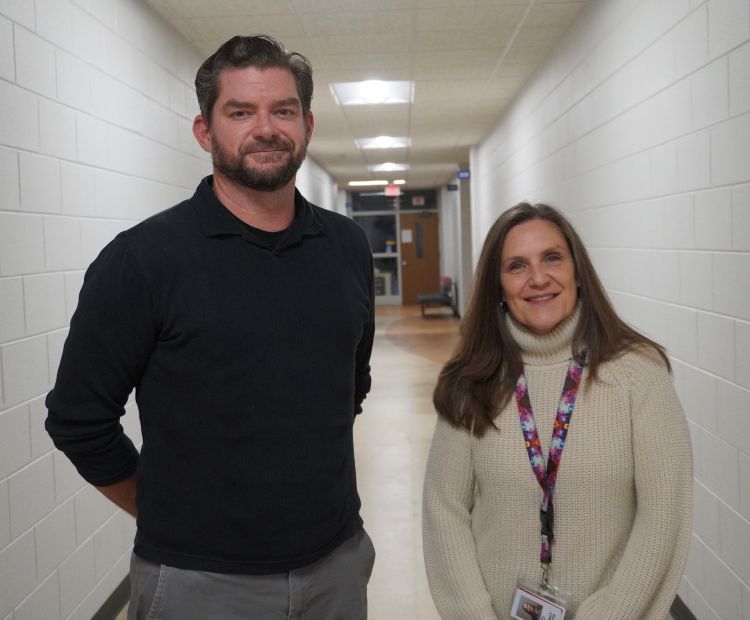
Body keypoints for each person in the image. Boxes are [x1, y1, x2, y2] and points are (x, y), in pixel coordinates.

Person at [46, 35, 375, 620]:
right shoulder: (143, 259)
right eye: (240, 112)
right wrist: (164, 511)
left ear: (307, 125)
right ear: (205, 131)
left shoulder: (347, 246)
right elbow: (78, 419)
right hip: (198, 582)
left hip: (336, 568)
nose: (266, 128)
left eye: (283, 110)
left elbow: (349, 386)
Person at [422, 203, 692, 619]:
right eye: (516, 266)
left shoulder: (638, 374)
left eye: (552, 258)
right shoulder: (471, 380)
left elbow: (664, 513)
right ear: (498, 286)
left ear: (577, 272)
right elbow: (444, 510)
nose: (537, 278)